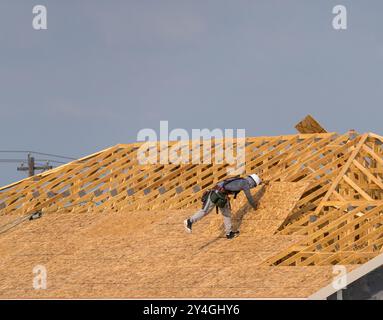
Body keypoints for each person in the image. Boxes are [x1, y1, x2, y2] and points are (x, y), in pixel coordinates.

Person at [184, 173, 267, 239]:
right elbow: (249, 197)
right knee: (205, 211)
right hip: (216, 193)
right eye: (254, 185)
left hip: (222, 195)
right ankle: (189, 221)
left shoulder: (241, 180)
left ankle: (229, 233)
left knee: (226, 213)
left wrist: (263, 182)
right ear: (252, 182)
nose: (252, 187)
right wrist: (255, 206)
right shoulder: (244, 183)